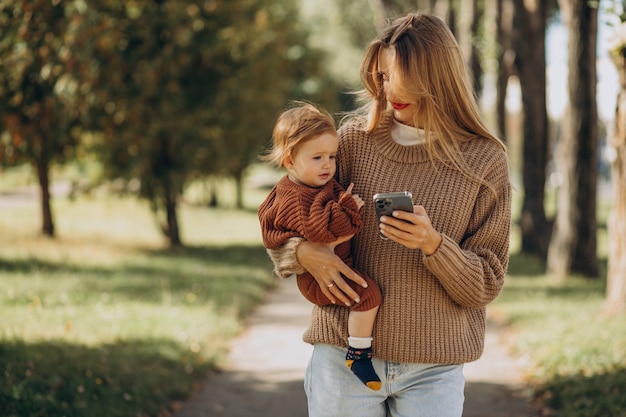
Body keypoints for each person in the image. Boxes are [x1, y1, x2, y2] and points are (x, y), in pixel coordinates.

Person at [266, 13, 512, 417]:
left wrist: (433, 244)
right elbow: (282, 217)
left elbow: (486, 283)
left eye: (403, 76)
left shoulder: (484, 160)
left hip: (433, 368)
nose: (389, 89)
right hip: (341, 357)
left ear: (438, 76)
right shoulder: (351, 142)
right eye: (382, 76)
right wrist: (301, 253)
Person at [258, 102, 384, 390]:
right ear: (290, 161)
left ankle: (357, 351)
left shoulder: (312, 184)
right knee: (369, 295)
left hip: (330, 266)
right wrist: (350, 210)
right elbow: (322, 232)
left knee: (366, 295)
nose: (328, 165)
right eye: (317, 157)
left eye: (332, 156)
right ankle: (358, 355)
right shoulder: (299, 198)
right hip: (321, 278)